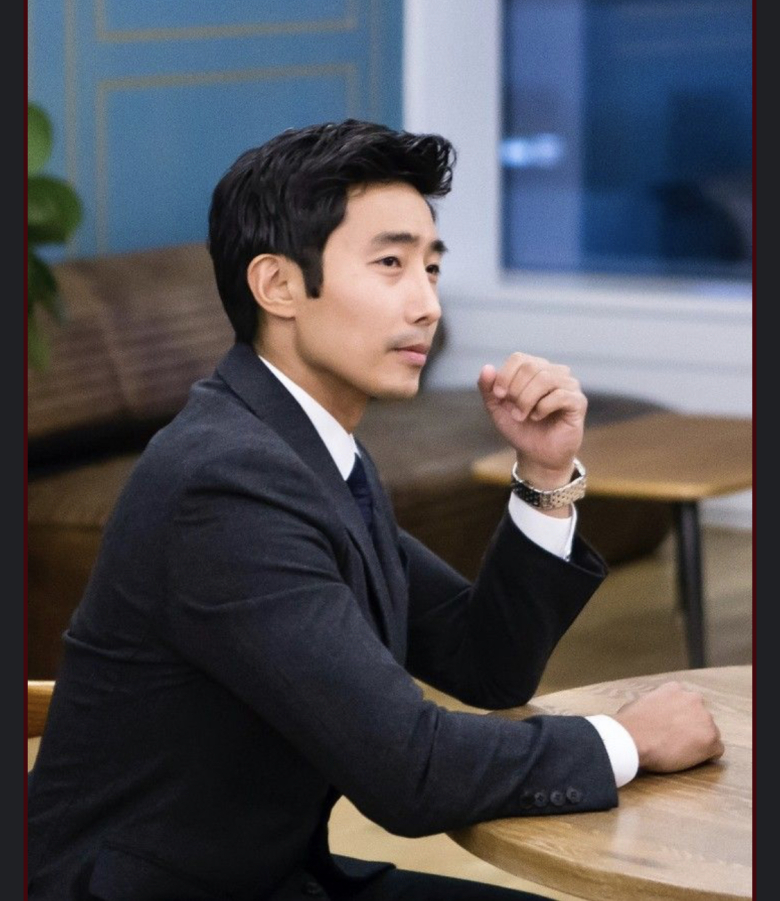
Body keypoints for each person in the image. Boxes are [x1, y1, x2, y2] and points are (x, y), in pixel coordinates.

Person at [27, 119, 724, 901]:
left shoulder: (311, 452)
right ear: (277, 285)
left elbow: (485, 662)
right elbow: (409, 768)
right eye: (391, 263)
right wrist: (625, 741)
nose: (427, 304)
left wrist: (544, 471)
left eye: (432, 267)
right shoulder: (224, 484)